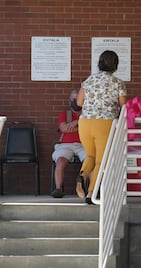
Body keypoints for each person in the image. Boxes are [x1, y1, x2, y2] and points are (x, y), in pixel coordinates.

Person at [76, 50, 127, 204]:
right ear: (115, 65)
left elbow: (79, 103)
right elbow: (124, 105)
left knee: (90, 156)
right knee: (101, 161)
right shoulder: (118, 83)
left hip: (84, 122)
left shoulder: (89, 80)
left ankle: (82, 175)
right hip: (104, 123)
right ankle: (91, 193)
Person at [50, 89, 86, 198]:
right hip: (65, 145)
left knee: (90, 161)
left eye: (78, 99)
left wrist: (77, 122)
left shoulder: (87, 114)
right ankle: (58, 189)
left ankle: (90, 190)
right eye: (73, 99)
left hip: (83, 144)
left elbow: (89, 130)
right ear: (69, 101)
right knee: (60, 161)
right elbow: (64, 128)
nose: (76, 101)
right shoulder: (65, 114)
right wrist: (81, 127)